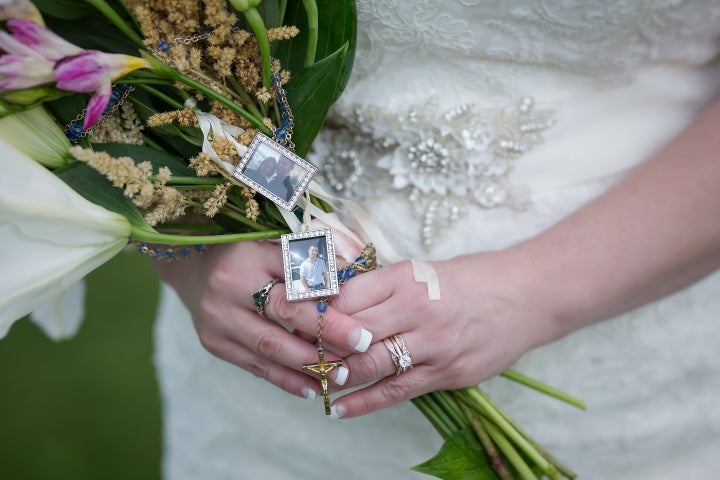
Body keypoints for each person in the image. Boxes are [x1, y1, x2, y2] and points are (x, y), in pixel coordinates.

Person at [153, 2, 720, 479]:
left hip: (633, 330)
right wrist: (192, 249)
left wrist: (533, 294)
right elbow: (107, 79)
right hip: (264, 396)